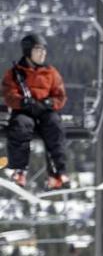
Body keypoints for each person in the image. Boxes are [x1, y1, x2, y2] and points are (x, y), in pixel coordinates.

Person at [2, 33, 70, 190]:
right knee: (21, 126)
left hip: (44, 111)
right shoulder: (15, 73)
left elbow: (60, 95)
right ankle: (19, 170)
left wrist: (49, 103)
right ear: (28, 52)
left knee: (54, 126)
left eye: (44, 50)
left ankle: (58, 173)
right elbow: (9, 94)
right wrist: (22, 101)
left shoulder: (51, 73)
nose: (43, 53)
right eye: (38, 49)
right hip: (24, 111)